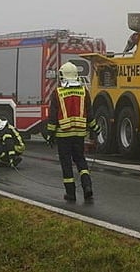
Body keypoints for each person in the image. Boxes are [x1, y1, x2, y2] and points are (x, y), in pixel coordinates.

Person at [47, 61, 100, 202]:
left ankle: (71, 194)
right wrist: (95, 129)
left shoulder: (57, 93)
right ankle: (87, 187)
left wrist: (49, 135)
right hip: (79, 134)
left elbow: (53, 116)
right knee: (81, 160)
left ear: (62, 76)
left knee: (66, 163)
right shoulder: (84, 91)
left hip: (63, 135)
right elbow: (90, 114)